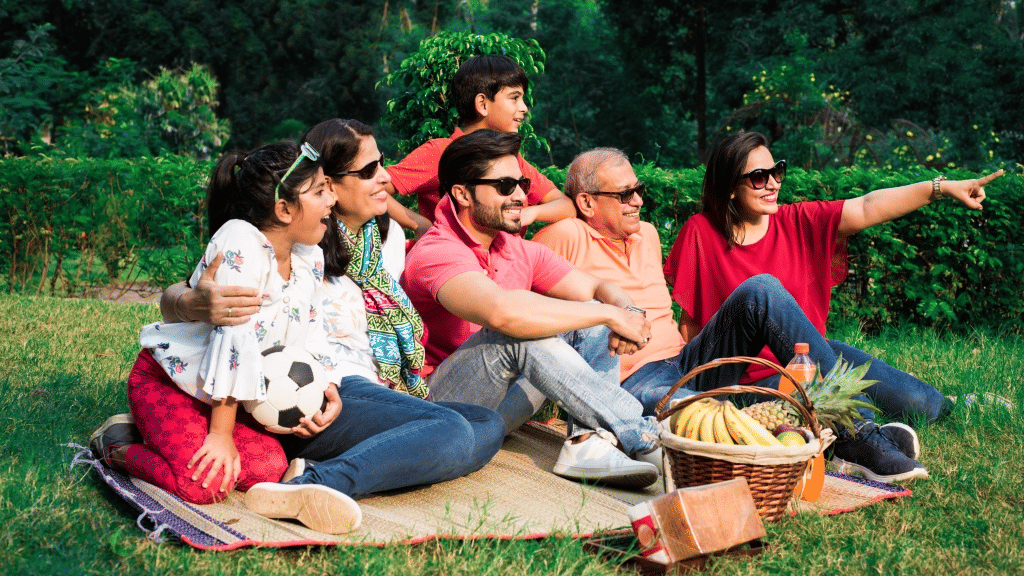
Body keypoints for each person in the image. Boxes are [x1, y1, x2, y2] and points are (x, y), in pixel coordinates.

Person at [533, 147, 933, 483]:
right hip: (630, 383)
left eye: (639, 189)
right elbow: (524, 316)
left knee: (761, 289)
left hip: (685, 362)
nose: (638, 200)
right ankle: (839, 446)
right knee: (719, 425)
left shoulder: (648, 235)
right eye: (624, 195)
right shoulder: (563, 236)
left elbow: (682, 321)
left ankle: (858, 433)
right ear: (586, 202)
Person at [89, 141, 363, 533]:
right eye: (320, 190)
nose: (333, 197)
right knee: (205, 485)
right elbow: (233, 342)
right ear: (283, 209)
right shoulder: (240, 242)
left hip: (223, 399)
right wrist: (220, 435)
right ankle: (118, 447)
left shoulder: (309, 256)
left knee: (271, 467)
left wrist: (325, 387)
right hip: (169, 383)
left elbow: (310, 330)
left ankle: (158, 436)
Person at [662, 131, 1003, 425]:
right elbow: (691, 329)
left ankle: (947, 404)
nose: (773, 184)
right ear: (731, 188)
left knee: (919, 403)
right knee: (823, 416)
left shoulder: (798, 222)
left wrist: (940, 187)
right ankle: (867, 434)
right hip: (748, 382)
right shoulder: (701, 233)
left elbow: (868, 206)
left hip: (812, 363)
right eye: (759, 177)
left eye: (777, 171)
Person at [401, 130, 663, 488]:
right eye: (506, 185)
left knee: (588, 315)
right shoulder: (437, 253)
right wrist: (608, 314)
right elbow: (501, 312)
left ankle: (589, 443)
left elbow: (596, 287)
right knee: (517, 334)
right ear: (462, 193)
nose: (522, 196)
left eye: (522, 183)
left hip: (495, 408)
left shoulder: (512, 247)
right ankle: (644, 436)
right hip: (438, 410)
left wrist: (627, 311)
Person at [386, 54, 575, 236]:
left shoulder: (513, 161)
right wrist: (419, 224)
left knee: (570, 230)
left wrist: (530, 214)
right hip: (454, 261)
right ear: (482, 104)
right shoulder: (440, 152)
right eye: (514, 98)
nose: (524, 107)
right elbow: (372, 188)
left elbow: (565, 205)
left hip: (506, 261)